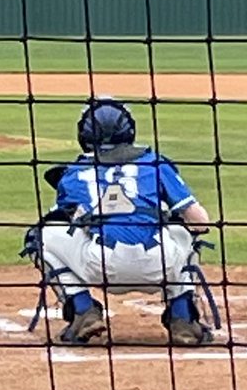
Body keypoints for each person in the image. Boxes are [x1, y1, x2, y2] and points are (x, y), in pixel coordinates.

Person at [21, 97, 218, 346]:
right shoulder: (154, 162)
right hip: (160, 266)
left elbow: (61, 219)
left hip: (101, 266)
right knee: (185, 233)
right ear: (129, 130)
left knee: (40, 236)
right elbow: (201, 223)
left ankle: (83, 311)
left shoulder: (73, 173)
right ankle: (183, 318)